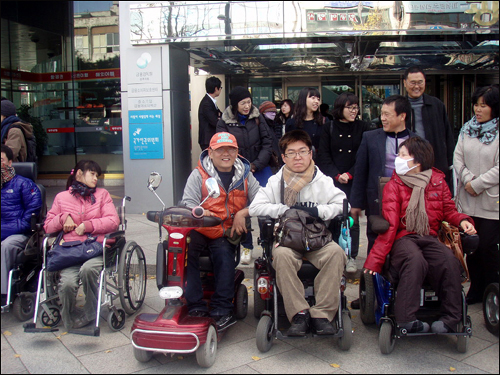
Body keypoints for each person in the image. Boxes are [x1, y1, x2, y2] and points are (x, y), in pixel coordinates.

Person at [364, 136, 476, 334]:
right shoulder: (394, 184)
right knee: (414, 260)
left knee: (447, 260)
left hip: (430, 235)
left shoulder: (437, 182)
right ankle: (406, 318)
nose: (397, 158)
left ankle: (451, 318)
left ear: (417, 160)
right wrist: (375, 261)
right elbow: (390, 226)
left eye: (402, 155)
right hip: (404, 237)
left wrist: (463, 220)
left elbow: (448, 210)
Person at [249, 130, 347, 336]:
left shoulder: (323, 181)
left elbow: (342, 204)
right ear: (283, 157)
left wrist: (318, 211)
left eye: (303, 151)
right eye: (291, 153)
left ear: (311, 153)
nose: (298, 157)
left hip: (317, 239)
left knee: (336, 253)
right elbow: (256, 207)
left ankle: (322, 314)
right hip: (287, 240)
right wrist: (284, 210)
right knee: (282, 256)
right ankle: (299, 313)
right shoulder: (277, 182)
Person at [182, 132, 260, 331]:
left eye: (231, 149)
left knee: (224, 256)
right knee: (184, 252)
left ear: (237, 152)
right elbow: (188, 202)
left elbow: (262, 200)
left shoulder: (246, 175)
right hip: (200, 228)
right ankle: (195, 304)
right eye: (220, 150)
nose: (226, 154)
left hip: (226, 230)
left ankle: (222, 308)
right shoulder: (198, 174)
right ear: (210, 152)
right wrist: (198, 211)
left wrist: (244, 212)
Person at [44, 160, 119, 330]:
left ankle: (90, 312)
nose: (95, 179)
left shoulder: (102, 195)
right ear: (79, 174)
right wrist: (63, 218)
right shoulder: (62, 198)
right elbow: (47, 226)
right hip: (72, 250)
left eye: (96, 175)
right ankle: (69, 317)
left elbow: (113, 221)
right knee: (68, 283)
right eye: (92, 174)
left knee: (88, 270)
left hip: (96, 248)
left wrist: (89, 225)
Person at [350, 95, 414, 253]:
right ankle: (375, 276)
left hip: (407, 203)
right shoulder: (370, 138)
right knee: (376, 243)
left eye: (387, 114)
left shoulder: (417, 142)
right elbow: (360, 171)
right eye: (382, 114)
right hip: (377, 202)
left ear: (402, 116)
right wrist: (356, 203)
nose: (382, 118)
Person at [216, 86, 273, 265]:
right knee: (242, 208)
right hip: (237, 169)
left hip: (259, 168)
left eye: (249, 102)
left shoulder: (257, 118)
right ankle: (246, 248)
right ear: (235, 105)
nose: (247, 106)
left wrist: (256, 165)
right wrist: (240, 166)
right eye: (243, 103)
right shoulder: (224, 121)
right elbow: (222, 147)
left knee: (265, 208)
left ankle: (267, 245)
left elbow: (267, 143)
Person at [453, 85, 499, 305]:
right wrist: (467, 180)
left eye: (484, 105)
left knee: (488, 245)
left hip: (491, 201)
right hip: (468, 199)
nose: (478, 110)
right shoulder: (467, 129)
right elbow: (457, 158)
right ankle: (476, 287)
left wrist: (478, 184)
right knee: (470, 244)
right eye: (476, 105)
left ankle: (492, 287)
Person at [317, 92, 370, 274]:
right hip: (333, 181)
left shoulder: (363, 127)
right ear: (340, 108)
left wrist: (350, 173)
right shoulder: (329, 128)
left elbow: (364, 155)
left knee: (351, 220)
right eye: (350, 107)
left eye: (356, 107)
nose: (354, 111)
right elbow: (323, 155)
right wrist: (336, 174)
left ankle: (351, 257)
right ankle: (330, 254)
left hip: (354, 181)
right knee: (330, 219)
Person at [1, 145, 42, 305]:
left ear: (10, 163)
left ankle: (4, 294)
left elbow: (28, 221)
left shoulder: (25, 185)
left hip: (20, 235)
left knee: (5, 246)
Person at [403, 66, 455, 188]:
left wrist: (450, 162)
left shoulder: (436, 105)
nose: (417, 86)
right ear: (405, 83)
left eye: (420, 82)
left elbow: (447, 135)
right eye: (413, 83)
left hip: (435, 163)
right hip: (407, 163)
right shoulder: (399, 105)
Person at [285, 88, 324, 159]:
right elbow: (288, 146)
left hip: (319, 163)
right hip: (299, 162)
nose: (316, 101)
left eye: (318, 99)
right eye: (313, 98)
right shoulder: (292, 123)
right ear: (303, 99)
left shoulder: (323, 121)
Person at [198, 76, 223, 150]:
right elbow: (215, 121)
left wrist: (219, 117)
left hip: (210, 139)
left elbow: (220, 114)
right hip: (207, 140)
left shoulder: (211, 101)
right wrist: (218, 118)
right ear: (216, 88)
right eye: (220, 87)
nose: (221, 90)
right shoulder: (207, 103)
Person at [259, 101, 282, 173]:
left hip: (274, 162)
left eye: (275, 112)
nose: (273, 114)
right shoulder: (261, 126)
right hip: (267, 163)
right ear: (263, 112)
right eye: (270, 111)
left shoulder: (273, 125)